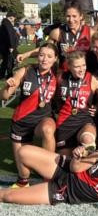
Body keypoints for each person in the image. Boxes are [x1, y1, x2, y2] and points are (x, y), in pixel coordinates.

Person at [0, 130, 98, 207]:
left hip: (66, 190)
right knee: (23, 152)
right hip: (65, 169)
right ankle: (23, 182)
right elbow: (75, 167)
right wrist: (82, 155)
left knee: (8, 196)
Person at [0, 43, 58, 187]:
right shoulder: (25, 71)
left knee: (48, 129)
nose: (45, 59)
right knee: (24, 175)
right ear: (37, 56)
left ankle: (49, 174)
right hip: (21, 122)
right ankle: (23, 179)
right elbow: (4, 97)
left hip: (42, 121)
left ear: (55, 59)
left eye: (49, 56)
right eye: (42, 55)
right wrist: (8, 86)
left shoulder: (57, 74)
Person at [17, 0, 92, 71]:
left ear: (81, 16)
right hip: (64, 76)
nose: (71, 20)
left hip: (85, 75)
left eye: (74, 16)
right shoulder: (57, 32)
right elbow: (45, 50)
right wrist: (25, 55)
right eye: (68, 16)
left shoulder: (90, 33)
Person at [55, 51, 98, 154]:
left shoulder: (93, 79)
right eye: (77, 67)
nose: (81, 69)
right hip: (65, 123)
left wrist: (96, 108)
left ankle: (89, 166)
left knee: (88, 140)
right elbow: (56, 99)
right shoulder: (61, 78)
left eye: (83, 65)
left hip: (84, 121)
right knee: (65, 162)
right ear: (69, 66)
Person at [0, 11, 19, 79]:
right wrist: (11, 46)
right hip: (7, 46)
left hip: (4, 46)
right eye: (14, 17)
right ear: (11, 17)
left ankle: (1, 75)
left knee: (5, 61)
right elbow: (10, 35)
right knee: (9, 61)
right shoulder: (7, 24)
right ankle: (9, 75)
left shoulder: (5, 23)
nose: (14, 19)